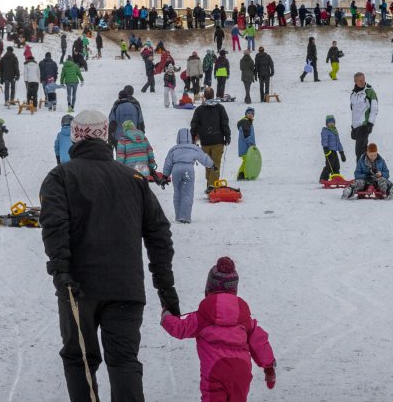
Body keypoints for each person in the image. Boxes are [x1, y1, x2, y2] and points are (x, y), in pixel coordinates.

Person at [39, 109, 177, 402]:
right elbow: (159, 235)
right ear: (107, 137)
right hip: (125, 288)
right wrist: (165, 287)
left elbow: (55, 226)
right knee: (124, 361)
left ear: (75, 137)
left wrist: (61, 271)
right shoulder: (134, 180)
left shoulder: (60, 177)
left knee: (80, 360)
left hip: (78, 289)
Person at [160, 257, 276, 400]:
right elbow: (259, 342)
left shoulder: (203, 317)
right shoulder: (245, 319)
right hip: (241, 370)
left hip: (215, 370)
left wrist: (166, 314)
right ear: (234, 290)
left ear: (209, 288)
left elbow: (178, 328)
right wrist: (269, 368)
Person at [162, 128, 215, 223]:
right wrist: (212, 165)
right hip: (187, 170)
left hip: (176, 170)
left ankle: (178, 216)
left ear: (178, 138)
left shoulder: (174, 149)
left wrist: (165, 176)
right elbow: (203, 158)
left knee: (177, 193)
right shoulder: (194, 148)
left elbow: (168, 163)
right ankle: (185, 217)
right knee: (187, 193)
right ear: (190, 137)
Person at [190, 87, 231, 193]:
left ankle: (210, 186)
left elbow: (194, 125)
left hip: (205, 142)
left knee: (208, 165)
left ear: (204, 96)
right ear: (213, 96)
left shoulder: (199, 110)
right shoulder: (220, 108)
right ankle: (212, 186)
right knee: (215, 164)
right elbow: (224, 123)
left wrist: (192, 138)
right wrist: (227, 136)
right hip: (218, 141)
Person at [349, 72, 379, 160]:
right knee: (363, 152)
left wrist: (370, 123)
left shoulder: (369, 92)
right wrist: (353, 127)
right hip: (357, 127)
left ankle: (361, 172)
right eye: (360, 80)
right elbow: (354, 111)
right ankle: (369, 170)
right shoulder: (353, 95)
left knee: (359, 152)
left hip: (364, 126)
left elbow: (374, 109)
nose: (362, 82)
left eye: (363, 79)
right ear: (355, 81)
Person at [319, 115, 346, 183]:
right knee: (329, 165)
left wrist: (341, 152)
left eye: (332, 122)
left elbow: (338, 143)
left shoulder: (335, 132)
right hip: (329, 151)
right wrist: (325, 147)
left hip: (334, 151)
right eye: (329, 122)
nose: (331, 123)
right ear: (327, 124)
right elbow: (324, 140)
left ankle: (336, 178)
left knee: (336, 165)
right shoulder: (325, 131)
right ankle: (323, 178)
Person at [236, 108, 255, 180]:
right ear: (246, 114)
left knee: (246, 161)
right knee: (246, 161)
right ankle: (241, 174)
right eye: (249, 113)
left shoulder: (248, 122)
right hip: (246, 146)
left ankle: (242, 174)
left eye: (252, 114)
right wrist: (251, 144)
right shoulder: (245, 122)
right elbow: (246, 135)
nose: (250, 115)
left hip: (245, 146)